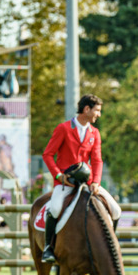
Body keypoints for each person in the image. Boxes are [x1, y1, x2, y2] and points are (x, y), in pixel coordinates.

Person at [40, 94, 121, 263]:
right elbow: (48, 155)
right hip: (66, 182)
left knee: (115, 210)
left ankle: (109, 246)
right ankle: (48, 247)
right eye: (97, 110)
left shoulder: (95, 133)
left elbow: (97, 160)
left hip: (88, 182)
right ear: (86, 109)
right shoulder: (63, 128)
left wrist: (96, 182)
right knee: (54, 208)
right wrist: (58, 176)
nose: (99, 114)